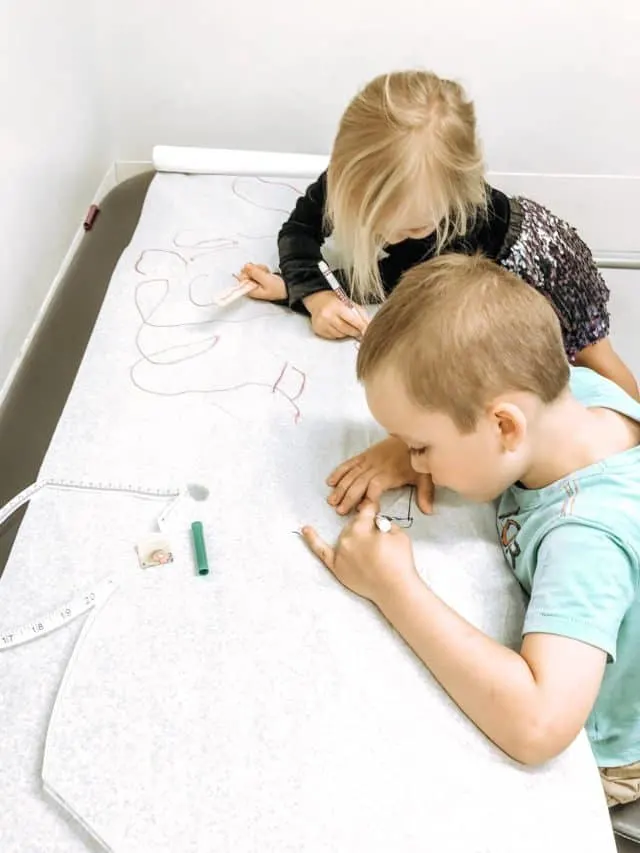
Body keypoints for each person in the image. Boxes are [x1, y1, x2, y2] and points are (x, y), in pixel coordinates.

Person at [301, 254, 640, 808]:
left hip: (609, 749)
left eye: (421, 444)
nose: (416, 459)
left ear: (505, 425)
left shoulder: (587, 539)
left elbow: (538, 726)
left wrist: (394, 588)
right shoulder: (575, 393)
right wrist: (406, 451)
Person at [237, 69, 636, 399]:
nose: (391, 238)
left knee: (588, 359)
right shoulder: (347, 179)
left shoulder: (457, 226)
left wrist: (295, 290)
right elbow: (299, 229)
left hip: (541, 264)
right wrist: (312, 292)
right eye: (374, 222)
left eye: (413, 227)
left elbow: (395, 284)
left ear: (455, 197)